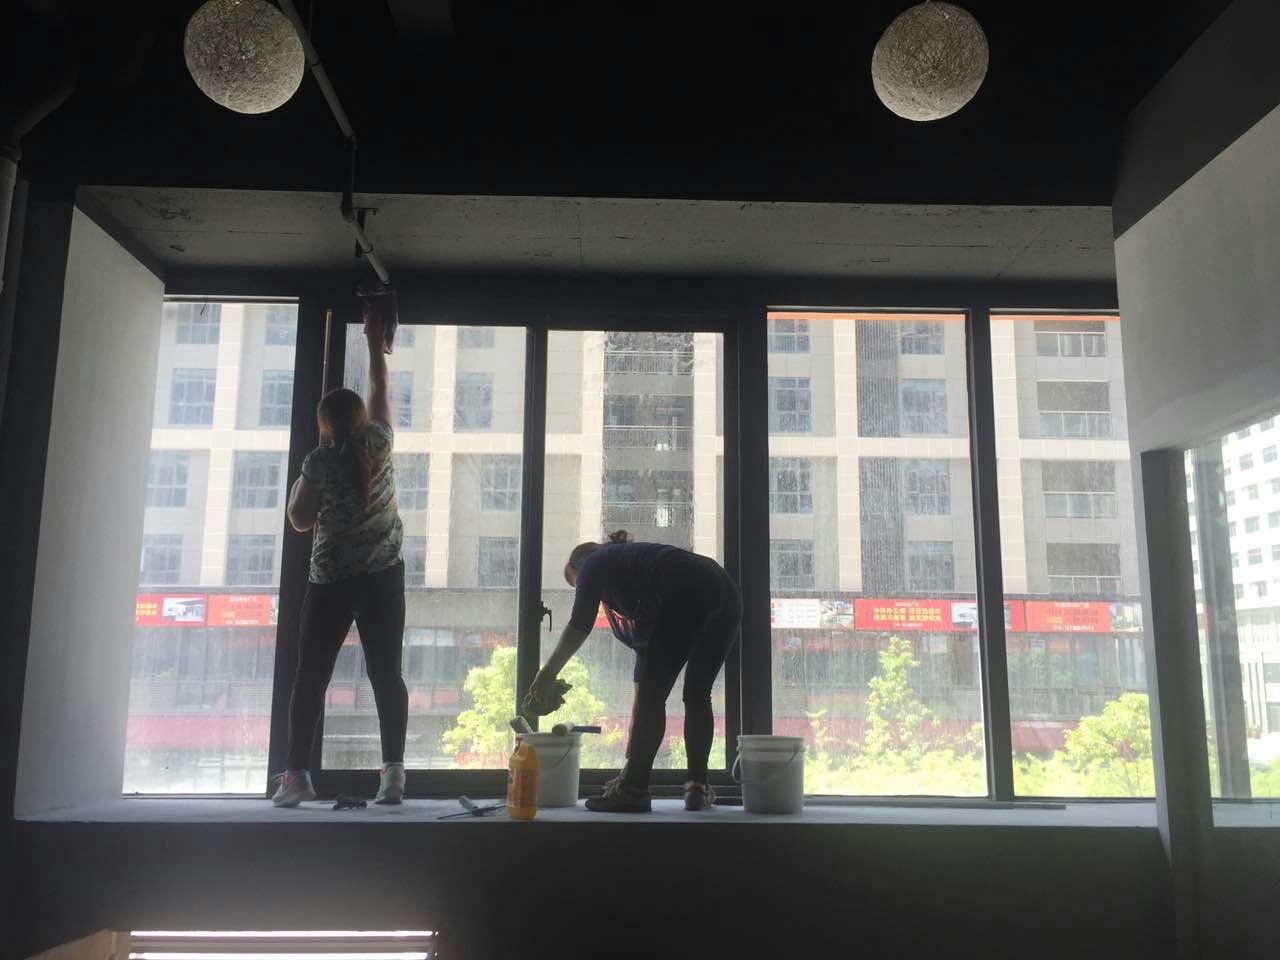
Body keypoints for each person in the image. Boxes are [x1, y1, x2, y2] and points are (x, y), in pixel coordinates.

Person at [270, 304, 408, 807]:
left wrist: (302, 481)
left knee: (311, 676)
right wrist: (372, 340)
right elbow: (379, 385)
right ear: (361, 418)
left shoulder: (319, 462)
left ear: (324, 425)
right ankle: (393, 775)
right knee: (386, 675)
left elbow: (300, 519)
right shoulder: (380, 441)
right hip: (383, 577)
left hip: (331, 581)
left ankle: (296, 777)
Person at [527, 531, 742, 812]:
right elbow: (646, 671)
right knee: (697, 694)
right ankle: (697, 788)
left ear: (581, 567)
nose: (585, 592)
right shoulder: (635, 574)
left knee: (657, 699)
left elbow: (580, 623)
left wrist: (547, 673)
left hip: (686, 587)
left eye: (577, 584)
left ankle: (633, 791)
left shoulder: (594, 563)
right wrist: (634, 744)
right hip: (725, 593)